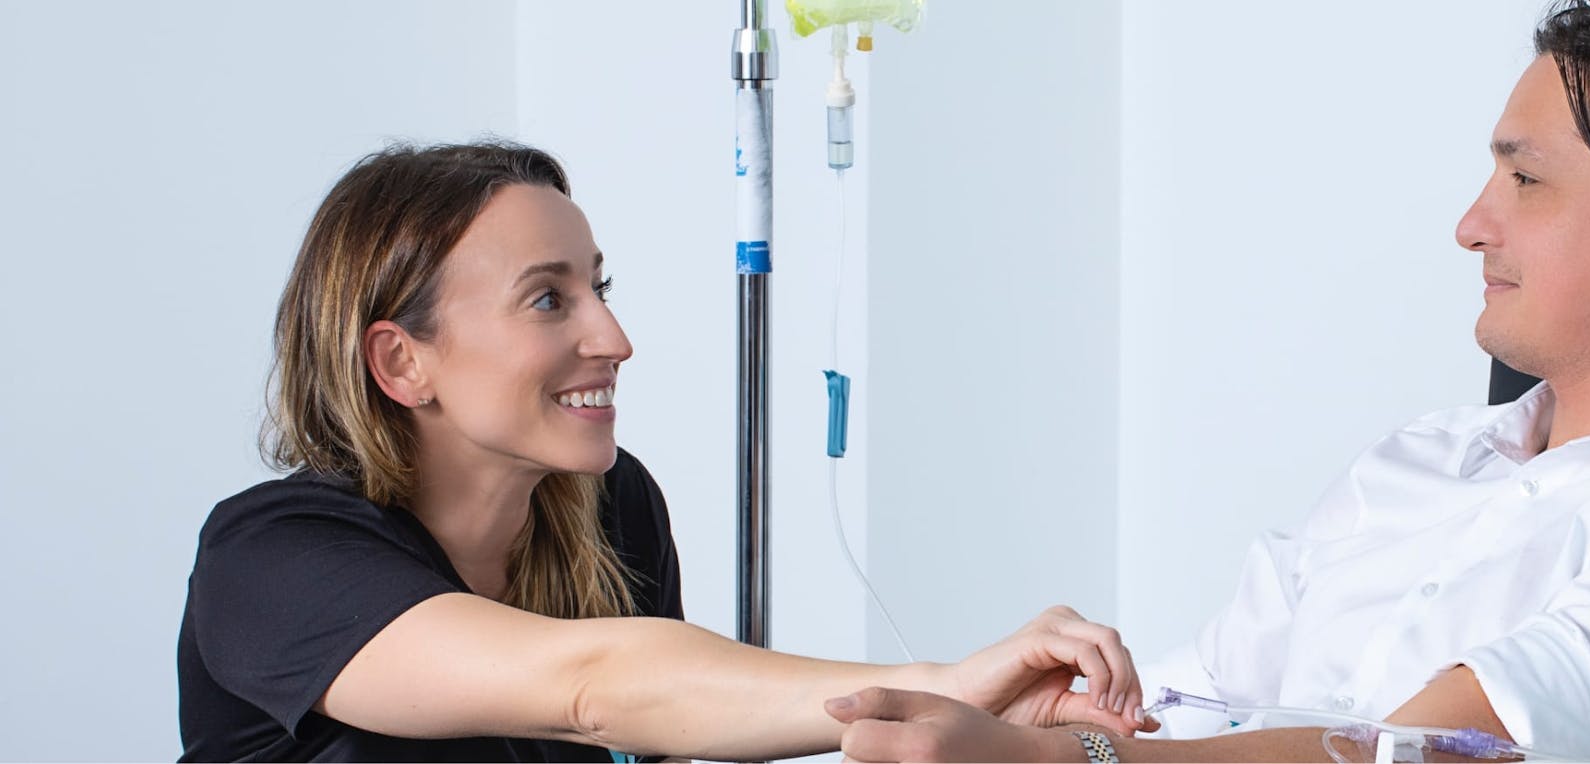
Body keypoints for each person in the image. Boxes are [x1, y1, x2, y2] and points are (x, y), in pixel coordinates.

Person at [826, 0, 1590, 760]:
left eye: (1526, 179)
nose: (1470, 223)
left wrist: (1071, 760)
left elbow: (1427, 755)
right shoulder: (1420, 461)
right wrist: (1051, 717)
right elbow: (1195, 700)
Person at [177, 142, 1148, 761]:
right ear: (401, 359)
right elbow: (594, 687)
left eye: (600, 286)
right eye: (550, 297)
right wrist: (939, 682)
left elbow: (667, 718)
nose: (614, 336)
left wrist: (961, 728)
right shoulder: (270, 558)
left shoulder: (610, 504)